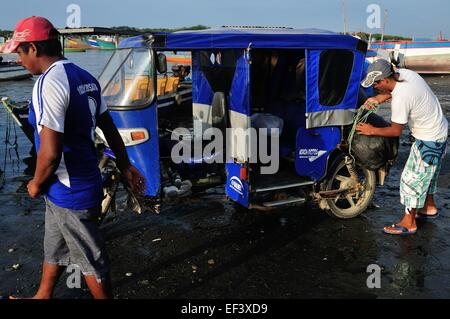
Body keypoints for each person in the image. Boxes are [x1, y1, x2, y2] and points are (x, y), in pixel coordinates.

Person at [4, 16, 146, 298]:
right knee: (54, 246)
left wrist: (34, 183)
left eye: (19, 53)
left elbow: (50, 152)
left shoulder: (48, 83)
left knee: (91, 260)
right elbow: (109, 128)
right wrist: (126, 165)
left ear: (33, 48)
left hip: (69, 190)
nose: (18, 60)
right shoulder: (85, 77)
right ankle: (43, 295)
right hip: (77, 183)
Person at [358, 59, 448, 236]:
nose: (375, 86)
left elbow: (395, 131)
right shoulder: (406, 75)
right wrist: (378, 98)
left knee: (411, 179)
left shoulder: (401, 98)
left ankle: (409, 223)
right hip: (440, 131)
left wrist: (371, 130)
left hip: (428, 139)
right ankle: (428, 208)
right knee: (427, 175)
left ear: (386, 79)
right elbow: (395, 91)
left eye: (377, 83)